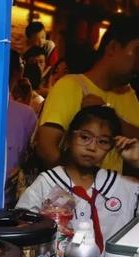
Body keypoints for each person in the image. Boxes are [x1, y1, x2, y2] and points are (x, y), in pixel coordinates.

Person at [18, 106, 139, 250]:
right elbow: (20, 228)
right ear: (69, 137)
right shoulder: (48, 183)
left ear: (112, 146)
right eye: (85, 137)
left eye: (103, 141)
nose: (92, 147)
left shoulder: (124, 187)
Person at [36, 16, 139, 173]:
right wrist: (78, 188)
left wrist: (109, 113)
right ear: (113, 47)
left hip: (113, 196)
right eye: (137, 52)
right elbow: (46, 147)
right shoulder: (71, 86)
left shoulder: (129, 95)